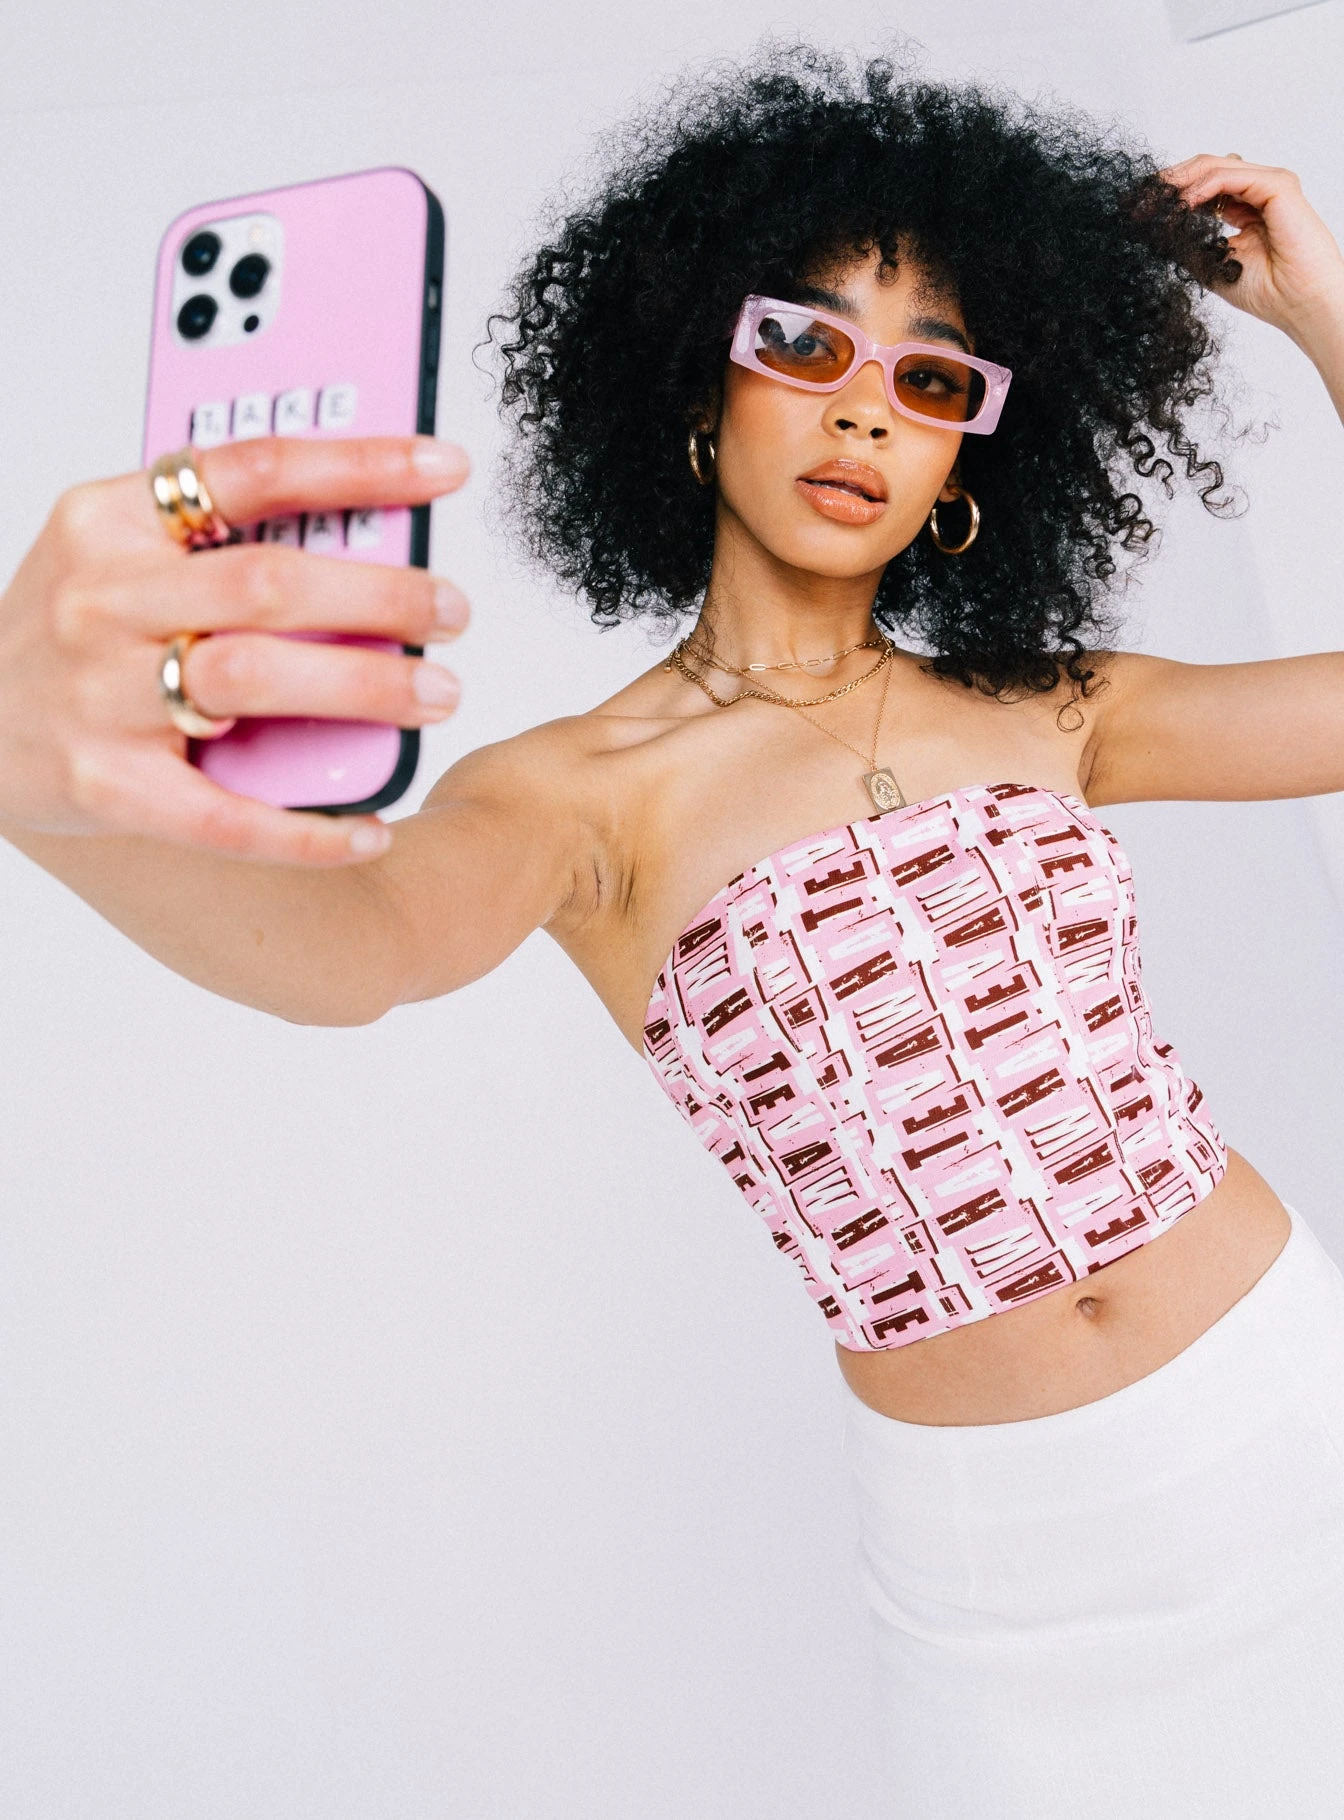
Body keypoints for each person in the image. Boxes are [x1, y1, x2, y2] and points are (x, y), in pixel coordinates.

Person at [4, 46, 1344, 1815]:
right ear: (704, 384)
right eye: (807, 345)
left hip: (1285, 1414)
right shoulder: (578, 794)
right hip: (1008, 1574)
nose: (864, 413)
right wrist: (49, 801)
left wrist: (1321, 314)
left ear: (966, 454)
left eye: (929, 376)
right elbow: (360, 944)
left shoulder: (1059, 705)